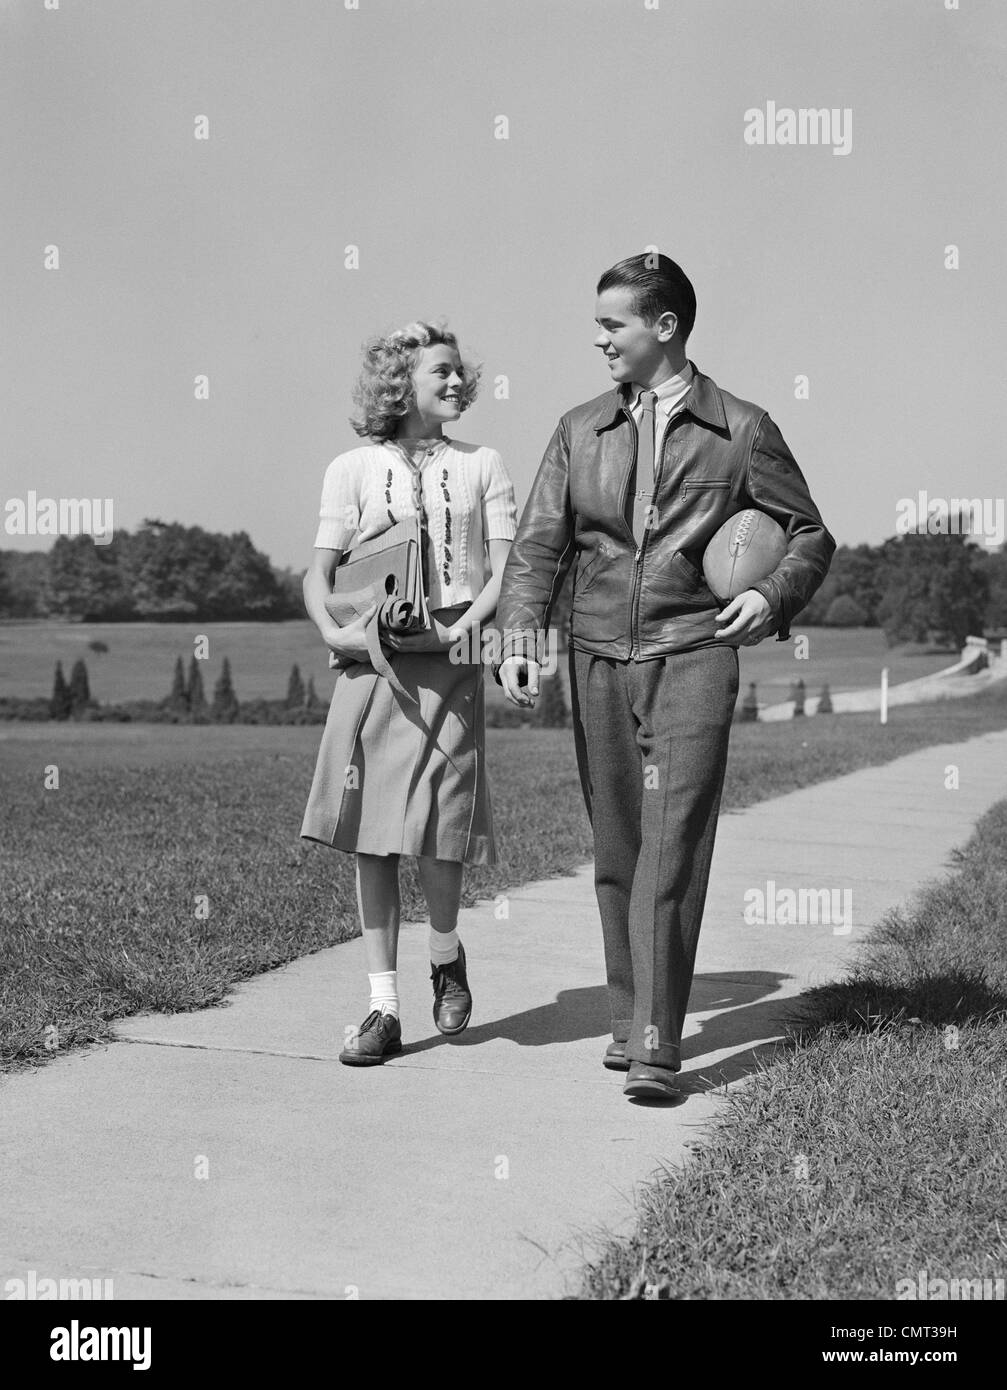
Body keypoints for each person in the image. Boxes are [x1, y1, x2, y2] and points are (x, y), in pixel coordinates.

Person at [495, 253, 835, 1100]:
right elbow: (540, 545)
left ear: (664, 327)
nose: (597, 338)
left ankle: (656, 1041)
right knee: (618, 845)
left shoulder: (743, 428)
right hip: (597, 653)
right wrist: (516, 636)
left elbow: (809, 536)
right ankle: (625, 1019)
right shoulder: (578, 430)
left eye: (612, 323)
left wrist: (768, 595)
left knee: (672, 842)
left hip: (692, 651)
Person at [301, 321, 517, 1066]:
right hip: (374, 666)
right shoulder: (350, 469)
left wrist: (467, 631)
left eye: (461, 372)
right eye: (441, 372)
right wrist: (336, 633)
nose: (458, 383)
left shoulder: (485, 464)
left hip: (451, 660)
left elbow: (504, 573)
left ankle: (446, 953)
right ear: (400, 382)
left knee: (438, 822)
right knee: (373, 834)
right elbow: (318, 576)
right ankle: (382, 1008)